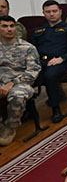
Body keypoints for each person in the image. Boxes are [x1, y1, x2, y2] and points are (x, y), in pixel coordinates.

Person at [29, 0, 67, 122]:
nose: (52, 14)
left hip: (61, 62)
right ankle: (29, 111)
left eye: (54, 11)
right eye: (48, 12)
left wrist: (61, 59)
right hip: (41, 62)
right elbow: (31, 49)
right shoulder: (38, 31)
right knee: (24, 75)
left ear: (60, 12)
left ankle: (56, 109)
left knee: (50, 75)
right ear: (43, 13)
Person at [0, 15, 40, 145]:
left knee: (17, 95)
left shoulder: (28, 48)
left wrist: (11, 84)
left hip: (21, 83)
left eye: (12, 26)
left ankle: (10, 127)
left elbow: (32, 72)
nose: (9, 29)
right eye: (5, 26)